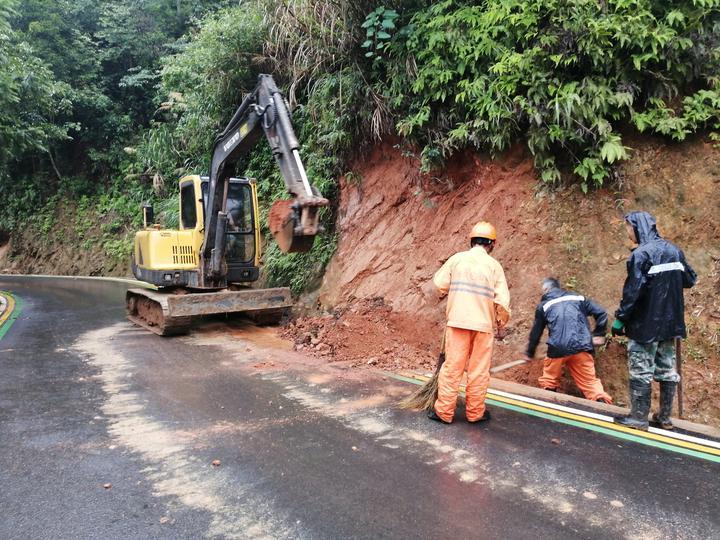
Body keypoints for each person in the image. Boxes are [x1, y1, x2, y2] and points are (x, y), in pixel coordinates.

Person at [612, 211, 696, 430]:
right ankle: (665, 418)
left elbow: (633, 293)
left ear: (637, 227)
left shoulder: (641, 254)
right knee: (667, 369)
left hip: (645, 325)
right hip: (671, 325)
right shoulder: (674, 251)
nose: (628, 233)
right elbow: (690, 279)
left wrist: (620, 319)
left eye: (628, 228)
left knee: (641, 369)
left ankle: (639, 418)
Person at [429, 221, 511, 424]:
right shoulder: (494, 266)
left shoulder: (457, 259)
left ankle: (443, 413)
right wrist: (501, 324)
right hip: (483, 327)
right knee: (479, 371)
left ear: (472, 240)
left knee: (452, 368)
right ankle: (475, 413)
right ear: (491, 244)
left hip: (457, 323)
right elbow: (502, 301)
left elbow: (439, 285)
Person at [523, 278, 612, 403]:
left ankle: (548, 405)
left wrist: (529, 353)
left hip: (557, 349)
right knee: (590, 383)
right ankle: (602, 405)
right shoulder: (578, 298)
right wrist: (599, 333)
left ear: (546, 289)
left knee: (549, 379)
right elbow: (602, 312)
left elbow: (536, 332)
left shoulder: (544, 306)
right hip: (582, 347)